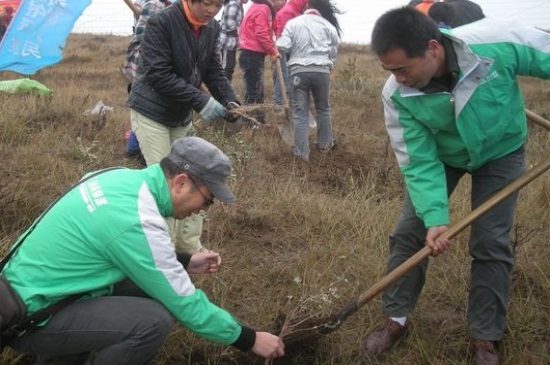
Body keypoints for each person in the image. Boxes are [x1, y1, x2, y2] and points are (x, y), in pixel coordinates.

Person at [365, 7, 550, 365]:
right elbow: (419, 161)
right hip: (445, 154)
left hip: (501, 150)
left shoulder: (498, 42)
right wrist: (436, 217)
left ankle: (485, 336)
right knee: (410, 230)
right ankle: (396, 318)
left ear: (433, 48)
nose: (397, 78)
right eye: (389, 70)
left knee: (490, 240)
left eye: (403, 68)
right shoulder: (397, 96)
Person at [3, 136, 285, 364]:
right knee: (153, 321)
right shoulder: (138, 219)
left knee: (147, 287)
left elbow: (121, 249)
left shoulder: (118, 178)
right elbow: (184, 303)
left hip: (30, 293)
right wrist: (248, 338)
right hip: (30, 320)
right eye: (208, 200)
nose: (204, 210)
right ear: (181, 182)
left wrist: (185, 261)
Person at [128, 0, 240, 254]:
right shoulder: (162, 21)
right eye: (207, 3)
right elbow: (158, 73)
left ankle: (189, 247)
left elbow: (212, 69)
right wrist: (201, 101)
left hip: (180, 115)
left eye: (218, 5)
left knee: (195, 177)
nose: (211, 10)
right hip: (151, 111)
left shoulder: (211, 28)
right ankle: (163, 251)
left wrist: (229, 99)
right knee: (165, 182)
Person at [276, 0, 340, 161]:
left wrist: (276, 39)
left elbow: (283, 46)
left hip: (298, 73)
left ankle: (301, 153)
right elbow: (333, 51)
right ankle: (325, 145)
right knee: (323, 109)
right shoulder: (328, 26)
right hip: (321, 73)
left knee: (300, 112)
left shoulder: (293, 23)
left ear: (306, 7)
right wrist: (328, 65)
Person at [122, 0, 172, 163]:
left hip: (149, 66)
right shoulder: (155, 4)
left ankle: (135, 147)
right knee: (148, 108)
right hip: (149, 66)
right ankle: (136, 149)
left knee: (146, 108)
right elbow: (145, 37)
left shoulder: (159, 4)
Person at [238, 0, 279, 124]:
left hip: (252, 54)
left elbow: (269, 29)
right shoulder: (262, 8)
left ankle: (260, 121)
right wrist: (272, 52)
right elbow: (261, 33)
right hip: (252, 55)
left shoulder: (257, 6)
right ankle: (249, 123)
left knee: (258, 91)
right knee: (253, 93)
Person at [273, 0, 308, 108]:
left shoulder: (297, 11)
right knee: (283, 74)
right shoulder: (289, 12)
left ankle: (289, 100)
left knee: (289, 73)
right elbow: (283, 33)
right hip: (281, 46)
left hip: (289, 46)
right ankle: (278, 102)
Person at [218, 0, 249, 82]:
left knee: (228, 68)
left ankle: (225, 91)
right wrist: (242, 33)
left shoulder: (237, 4)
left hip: (230, 43)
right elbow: (229, 23)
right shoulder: (235, 4)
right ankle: (222, 92)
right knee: (226, 68)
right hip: (227, 42)